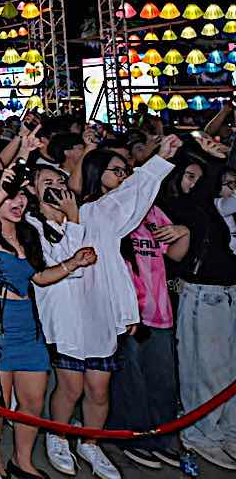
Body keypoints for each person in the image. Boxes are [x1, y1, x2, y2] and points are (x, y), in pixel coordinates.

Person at [29, 136, 181, 479]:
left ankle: (91, 443)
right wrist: (72, 222)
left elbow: (128, 199)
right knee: (70, 387)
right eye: (46, 183)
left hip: (100, 317)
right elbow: (57, 267)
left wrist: (159, 160)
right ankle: (58, 435)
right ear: (32, 191)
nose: (55, 187)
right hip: (67, 320)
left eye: (59, 181)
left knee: (99, 388)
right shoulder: (32, 227)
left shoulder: (94, 212)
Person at [0, 168, 96, 479]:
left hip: (28, 326)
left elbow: (38, 277)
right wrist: (3, 189)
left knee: (33, 400)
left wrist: (72, 263)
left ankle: (22, 461)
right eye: (11, 194)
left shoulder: (27, 233)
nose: (19, 200)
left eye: (22, 194)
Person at [109, 158, 193, 470]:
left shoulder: (153, 212)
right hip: (127, 312)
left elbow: (173, 254)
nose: (122, 176)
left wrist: (183, 232)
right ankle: (135, 438)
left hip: (159, 310)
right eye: (115, 171)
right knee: (131, 380)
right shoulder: (108, 213)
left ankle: (164, 436)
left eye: (125, 171)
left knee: (163, 379)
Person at [158, 135, 236, 470]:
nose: (196, 182)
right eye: (189, 176)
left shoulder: (209, 208)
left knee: (228, 371)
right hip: (203, 295)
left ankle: (227, 430)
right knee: (206, 372)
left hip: (226, 293)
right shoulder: (175, 207)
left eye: (197, 176)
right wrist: (218, 160)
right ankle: (200, 434)